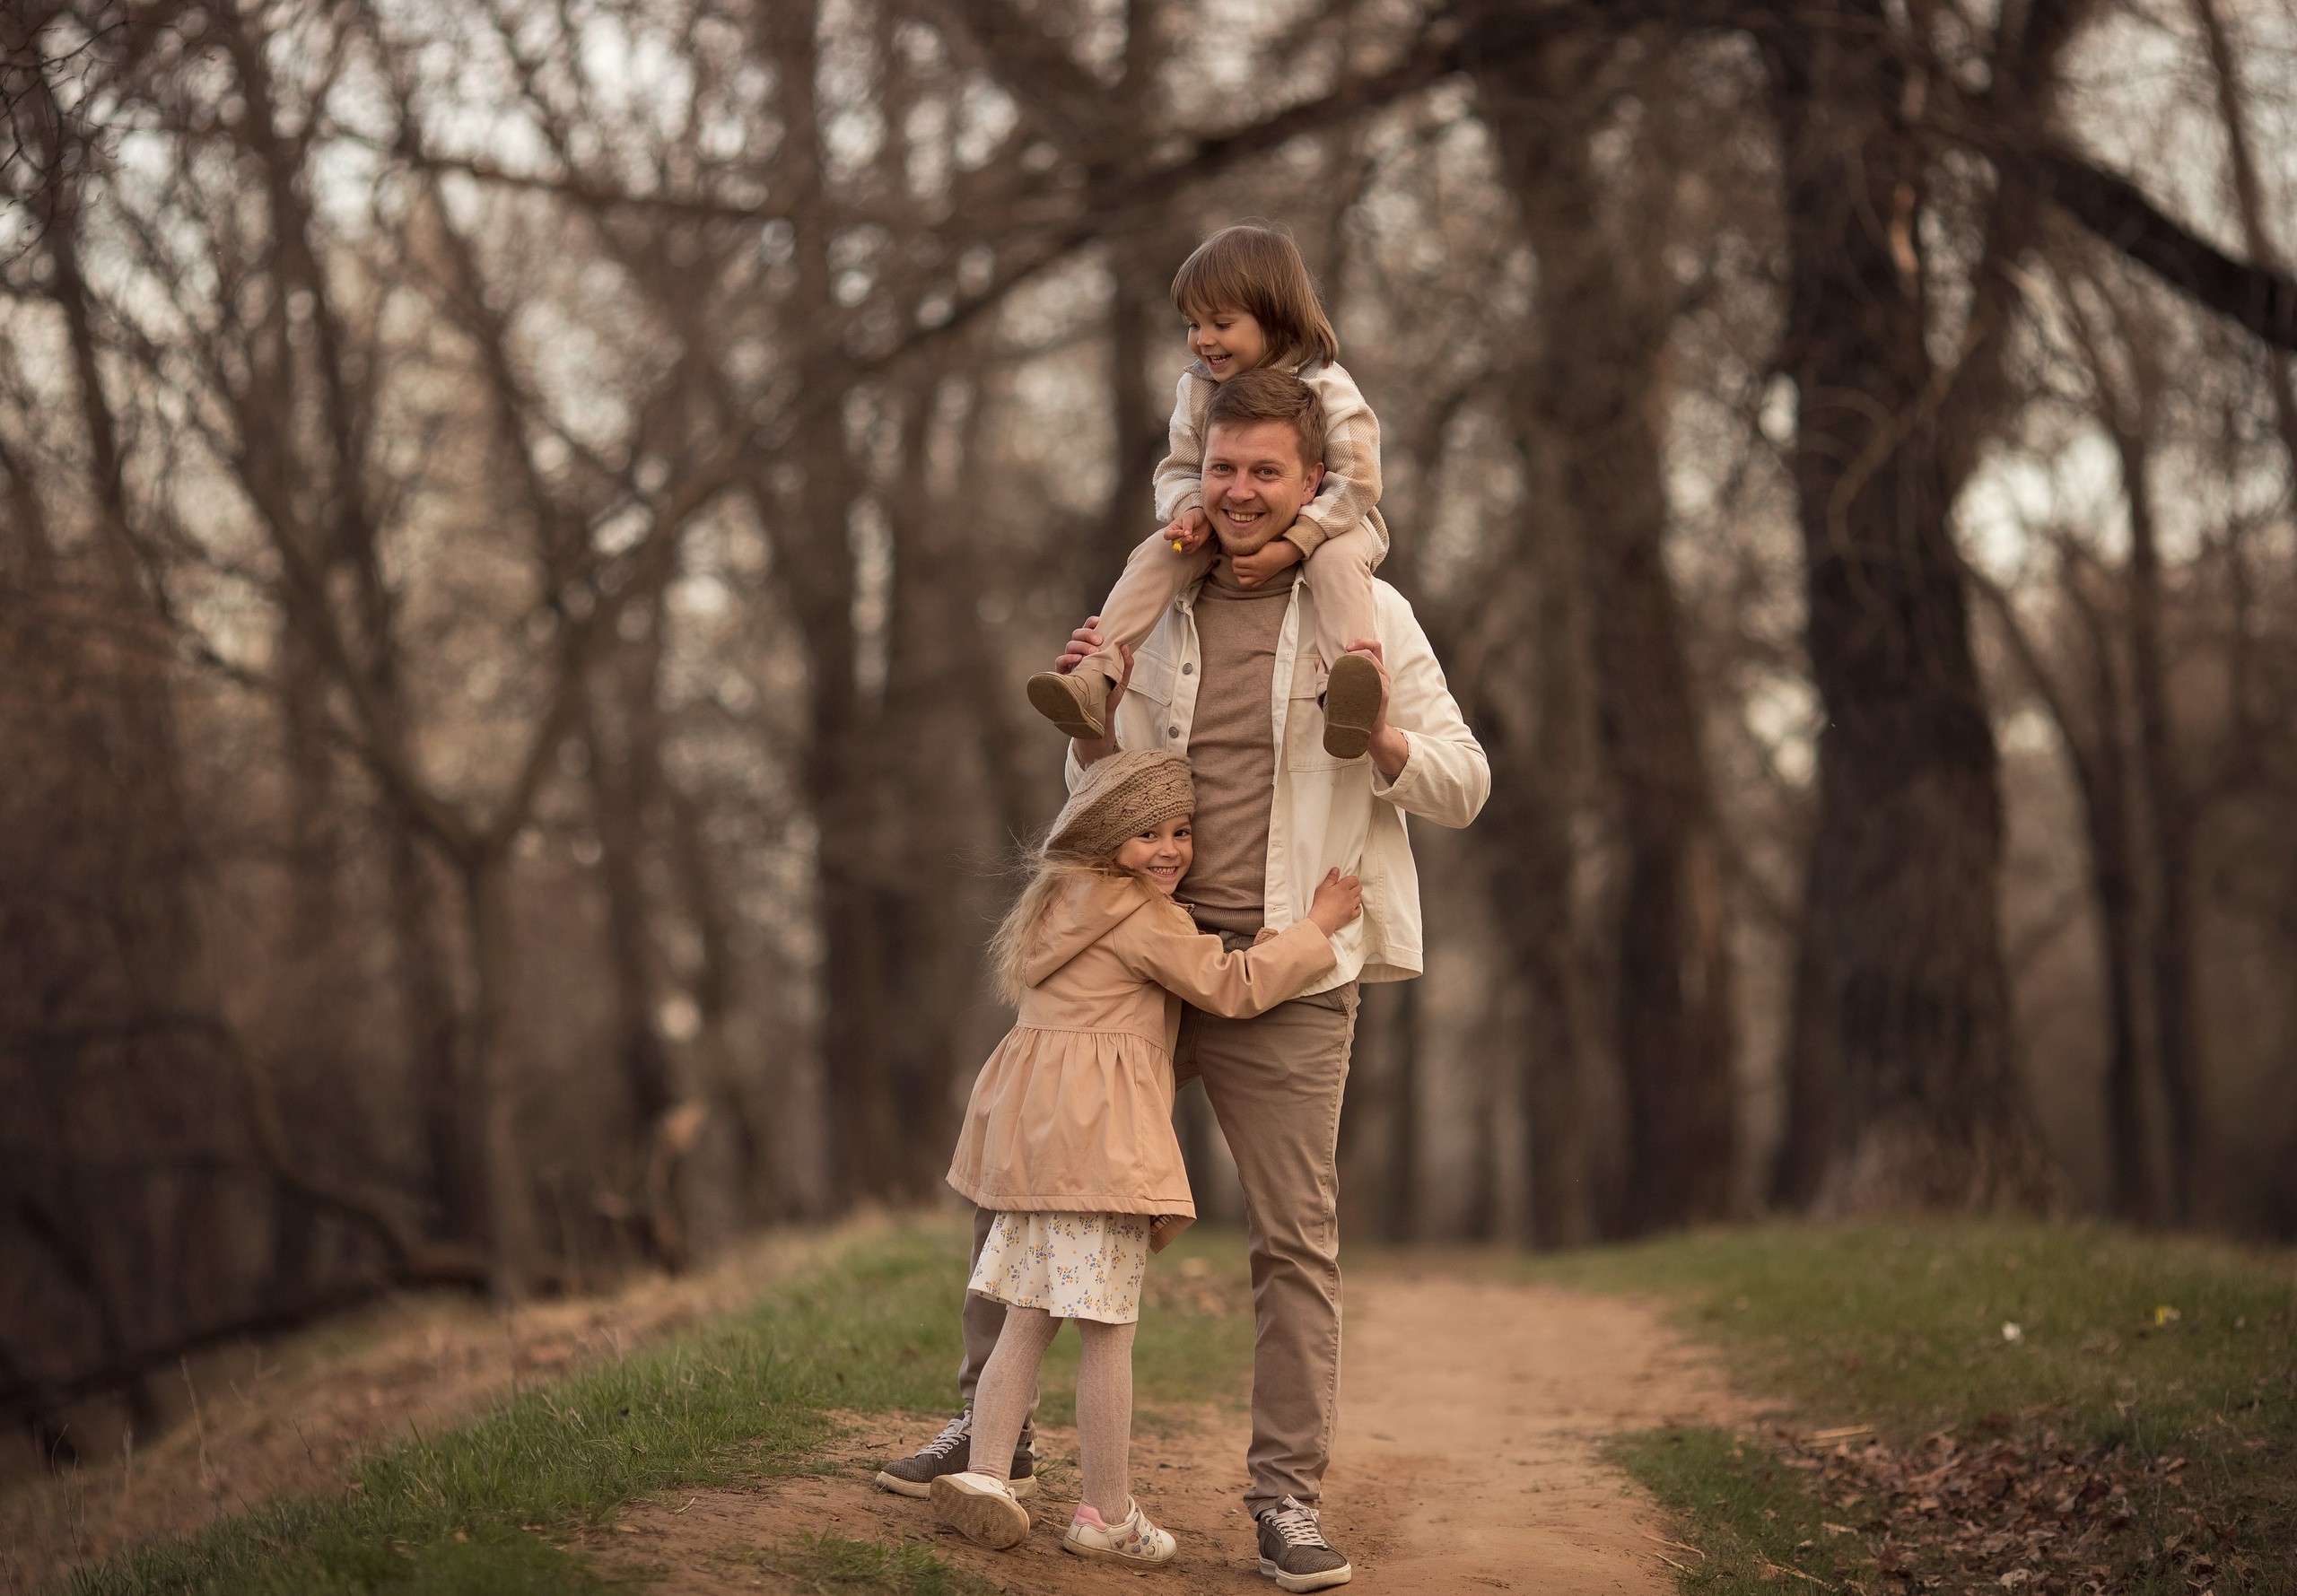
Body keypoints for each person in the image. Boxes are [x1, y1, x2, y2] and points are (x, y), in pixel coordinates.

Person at [885, 366, 1489, 1594]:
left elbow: (1465, 781)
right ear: (1195, 473)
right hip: (1137, 960)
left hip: (1291, 969)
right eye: (1222, 467)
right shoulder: (1151, 603)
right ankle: (991, 1433)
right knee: (1025, 1184)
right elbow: (1101, 798)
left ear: (1313, 484)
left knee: (1293, 1239)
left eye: (1267, 471)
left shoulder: (1369, 612)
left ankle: (1285, 1500)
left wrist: (1381, 735)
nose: (1241, 491)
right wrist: (1088, 727)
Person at [926, 747, 1366, 1568]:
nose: (1169, 849)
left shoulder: (1058, 900)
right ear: (1106, 840)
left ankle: (986, 1476)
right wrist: (1315, 928)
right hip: (1100, 1146)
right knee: (1107, 1328)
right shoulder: (1143, 916)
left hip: (1034, 1141)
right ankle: (1108, 1512)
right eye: (1147, 834)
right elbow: (1231, 986)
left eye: (1181, 831)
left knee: (1029, 1314)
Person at [1026, 222, 1392, 762]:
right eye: (1193, 324)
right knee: (1158, 552)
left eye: (1221, 323)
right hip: (1225, 528)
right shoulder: (1197, 386)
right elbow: (1178, 468)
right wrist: (1192, 510)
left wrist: (1295, 544)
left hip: (1331, 526)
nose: (1203, 339)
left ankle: (1346, 691)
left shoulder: (1325, 384)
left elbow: (1358, 480)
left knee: (1337, 564)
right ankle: (1094, 676)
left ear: (1275, 318)